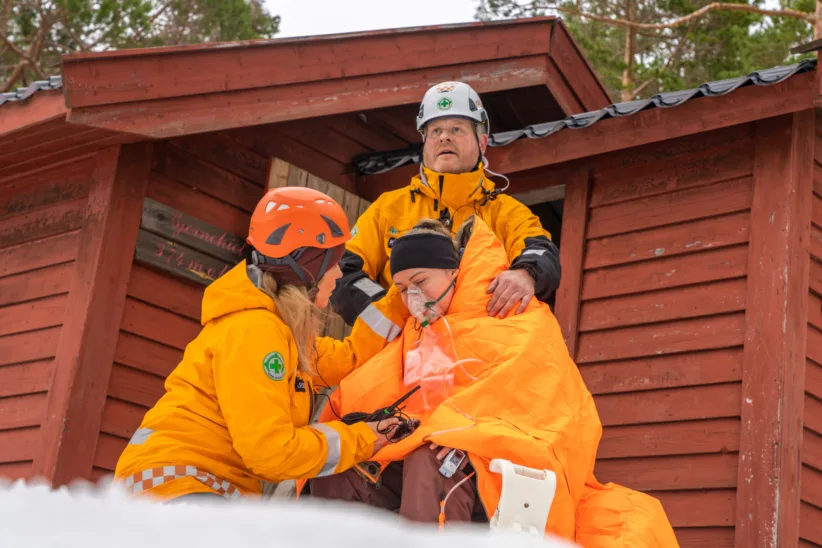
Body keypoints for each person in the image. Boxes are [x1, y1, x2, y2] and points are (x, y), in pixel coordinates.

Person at [306, 216, 678, 547]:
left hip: (501, 463)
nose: (412, 297)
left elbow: (539, 398)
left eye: (420, 282)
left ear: (453, 272)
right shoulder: (414, 332)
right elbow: (375, 390)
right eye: (402, 289)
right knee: (336, 468)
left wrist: (451, 432)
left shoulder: (515, 314)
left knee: (431, 464)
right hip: (425, 446)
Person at [113, 187, 412, 503]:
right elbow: (273, 452)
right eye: (333, 261)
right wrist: (365, 439)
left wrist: (404, 294)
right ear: (308, 267)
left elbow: (349, 358)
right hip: (177, 489)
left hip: (196, 488)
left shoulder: (281, 333)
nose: (339, 273)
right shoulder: (255, 331)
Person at [330, 81, 561, 335]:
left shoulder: (507, 212)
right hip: (403, 355)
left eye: (457, 129)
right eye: (435, 130)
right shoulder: (388, 208)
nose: (445, 136)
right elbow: (342, 272)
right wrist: (391, 320)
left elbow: (541, 252)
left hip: (483, 354)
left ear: (482, 142)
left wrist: (526, 273)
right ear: (424, 143)